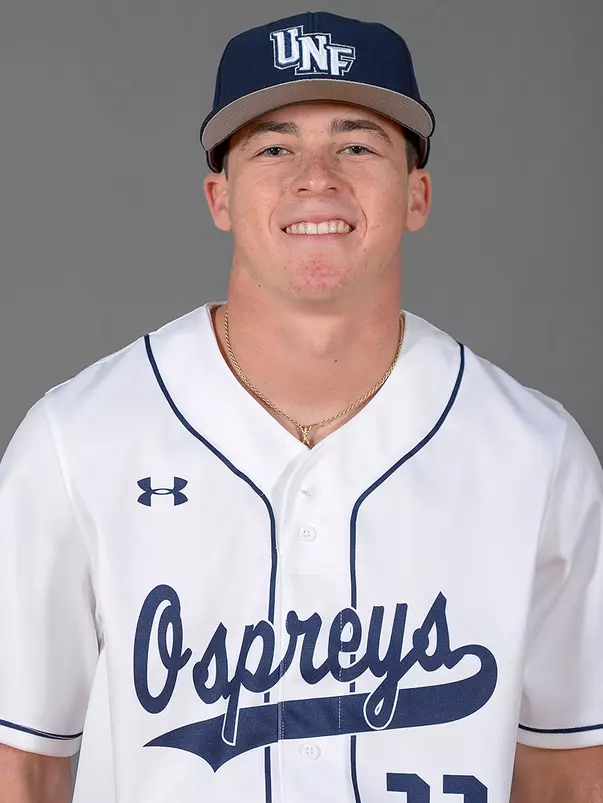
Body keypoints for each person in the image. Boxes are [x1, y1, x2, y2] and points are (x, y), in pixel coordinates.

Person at [0, 10, 602, 803]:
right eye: (274, 146)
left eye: (357, 144)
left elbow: (566, 769)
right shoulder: (76, 441)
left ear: (416, 194)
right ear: (219, 197)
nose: (315, 176)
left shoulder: (537, 456)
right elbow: (23, 765)